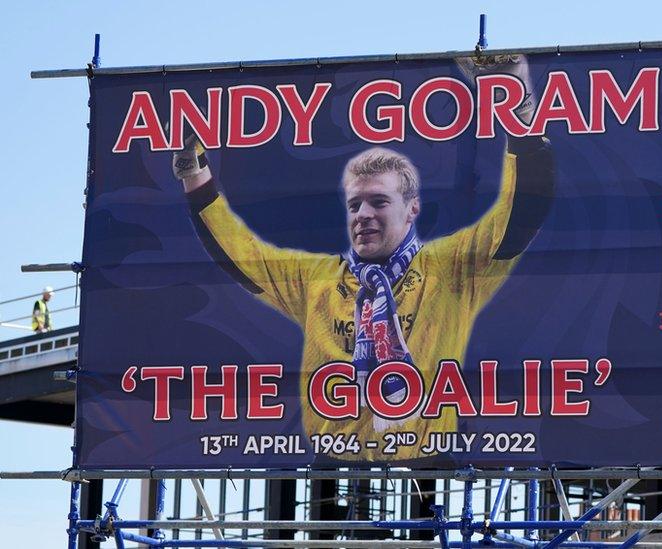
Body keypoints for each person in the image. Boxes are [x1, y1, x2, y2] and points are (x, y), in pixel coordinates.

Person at [172, 55, 554, 461]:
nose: (363, 215)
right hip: (333, 466)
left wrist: (520, 109)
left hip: (425, 463)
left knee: (429, 521)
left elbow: (519, 213)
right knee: (321, 522)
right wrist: (193, 172)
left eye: (378, 202)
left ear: (412, 208)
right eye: (355, 204)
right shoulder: (318, 278)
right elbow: (239, 255)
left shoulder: (450, 269)